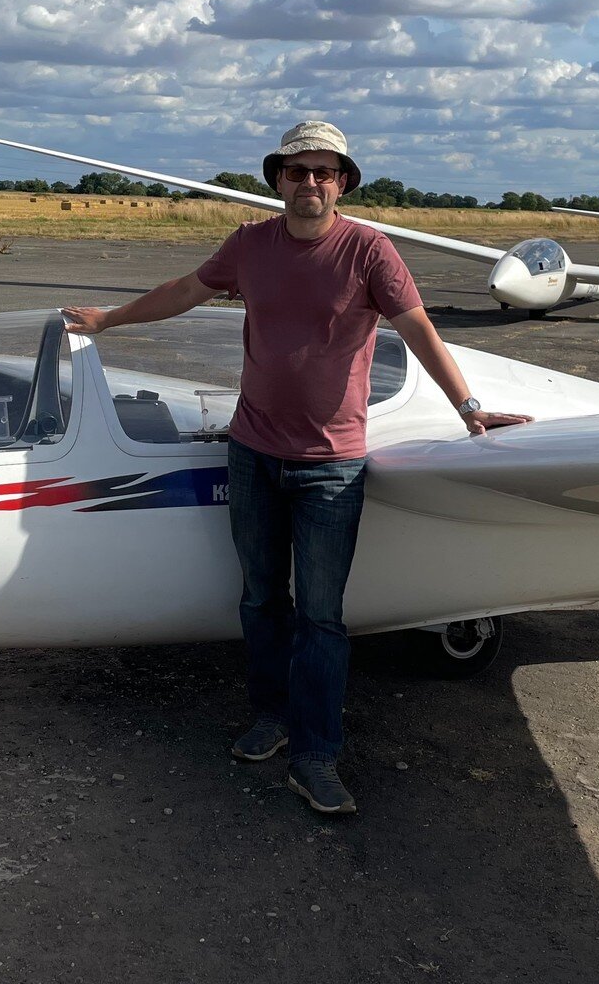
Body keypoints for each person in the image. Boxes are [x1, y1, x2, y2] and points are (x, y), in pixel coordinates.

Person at [63, 121, 531, 814]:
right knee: (259, 600)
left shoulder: (370, 251)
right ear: (277, 179)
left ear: (342, 182)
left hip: (330, 469)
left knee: (320, 618)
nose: (310, 182)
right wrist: (110, 320)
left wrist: (470, 407)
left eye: (324, 171)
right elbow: (187, 290)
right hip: (252, 454)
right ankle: (270, 718)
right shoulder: (251, 245)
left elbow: (419, 330)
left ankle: (317, 755)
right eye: (297, 170)